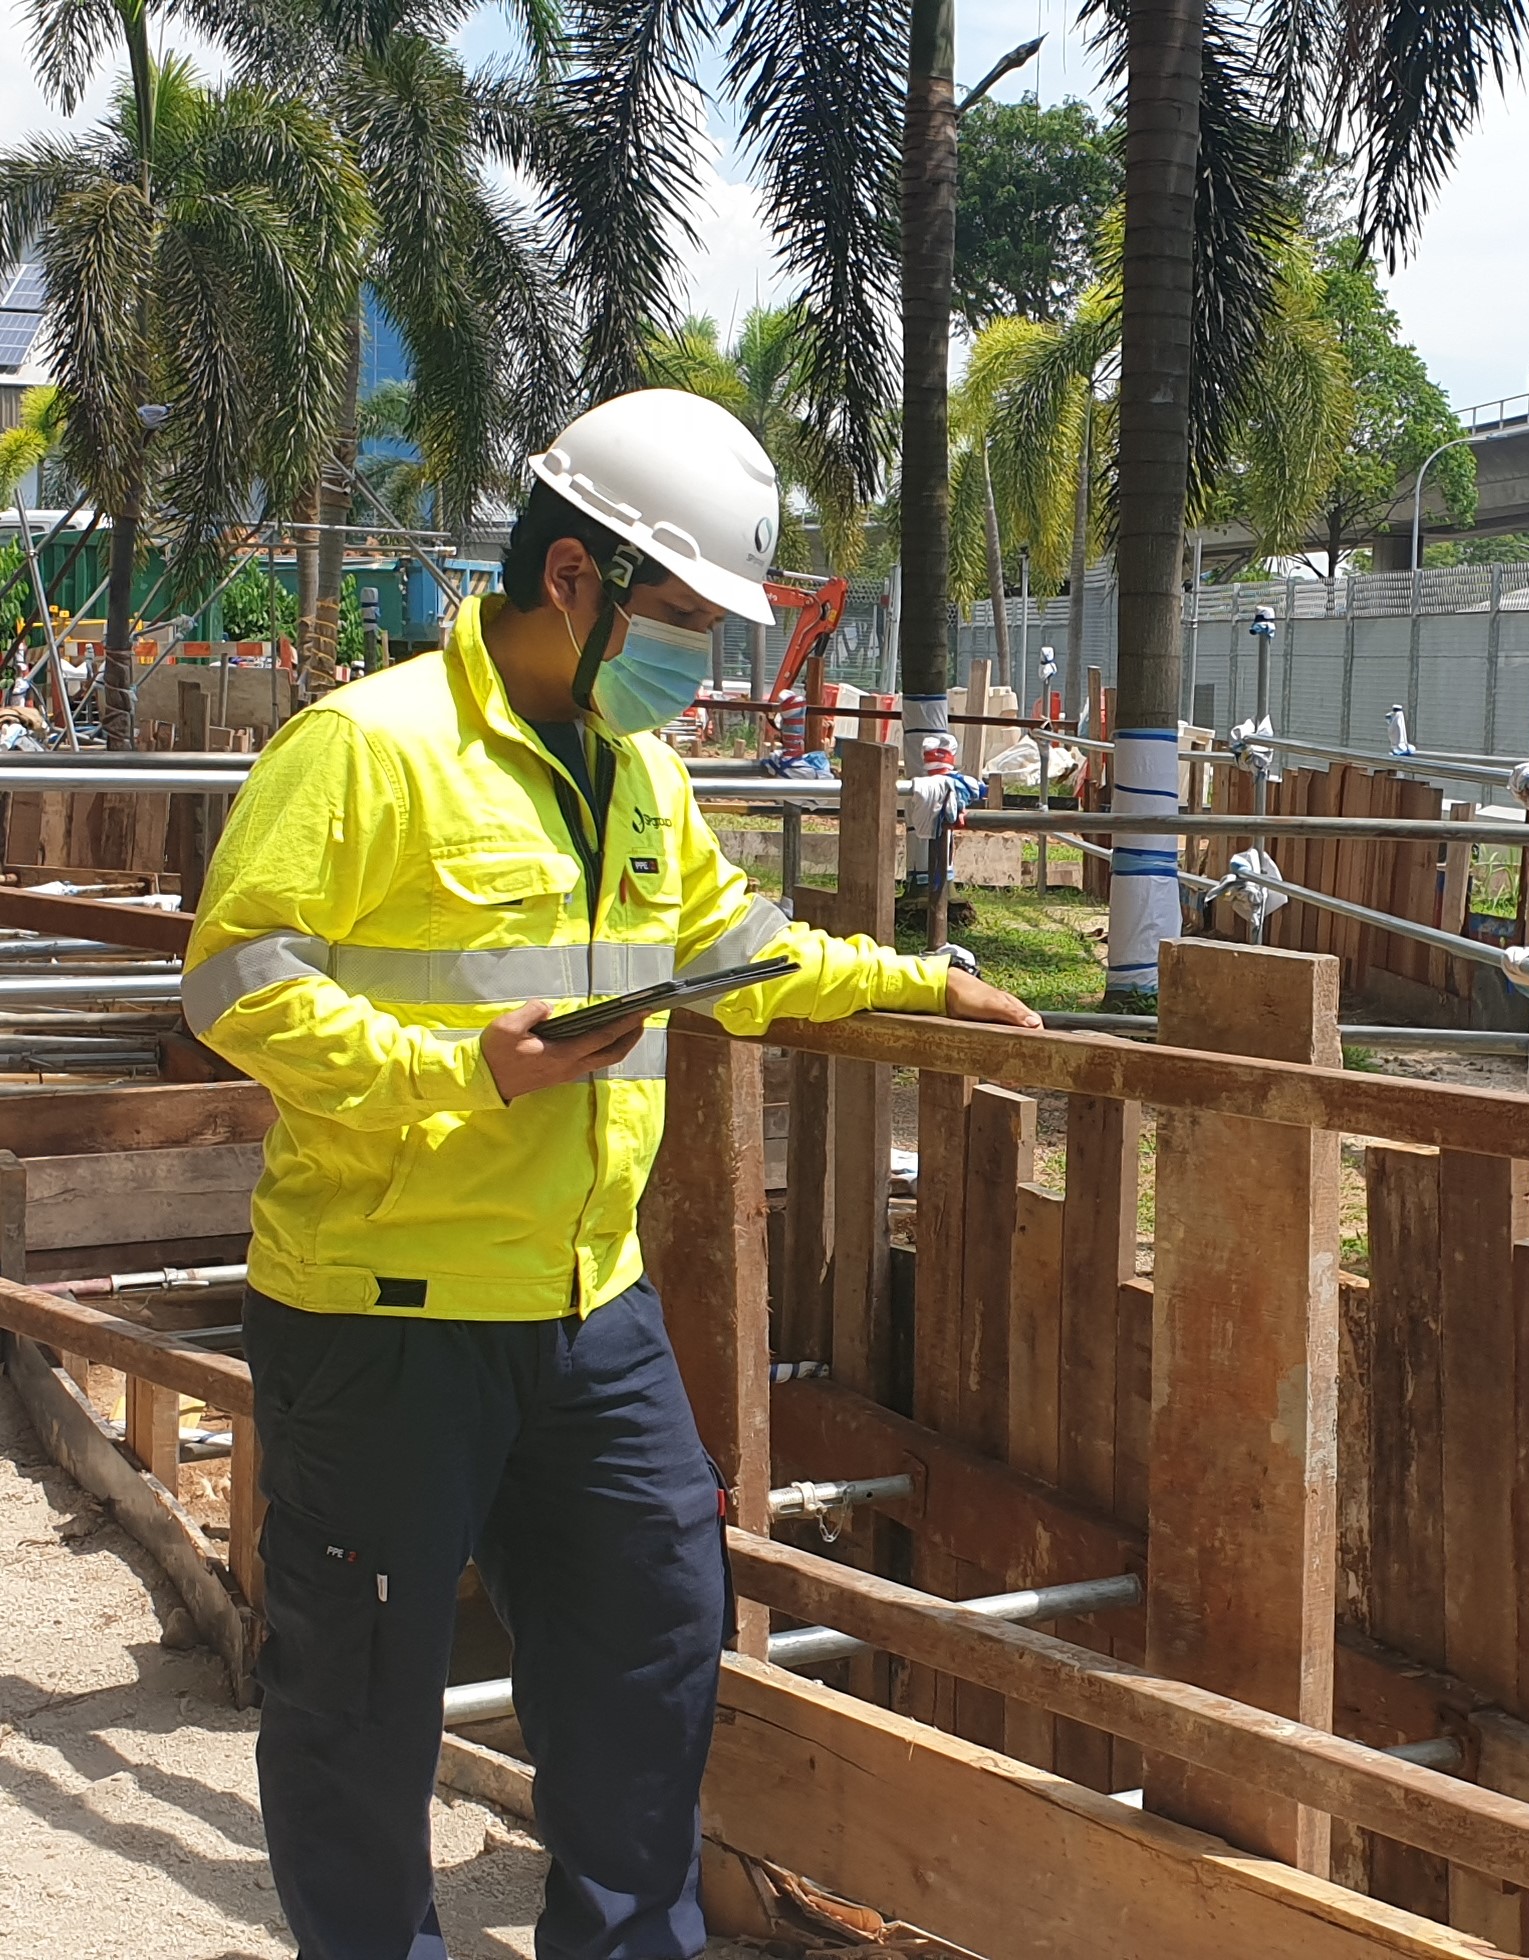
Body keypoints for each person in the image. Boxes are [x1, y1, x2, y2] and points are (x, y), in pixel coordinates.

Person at [180, 388, 1041, 1960]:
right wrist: (463, 1066)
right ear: (569, 578)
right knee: (359, 1710)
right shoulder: (365, 748)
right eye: (679, 618)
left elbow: (735, 958)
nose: (698, 662)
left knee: (656, 1646)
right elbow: (234, 987)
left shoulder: (641, 777)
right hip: (385, 1316)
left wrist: (915, 986)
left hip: (590, 1308)